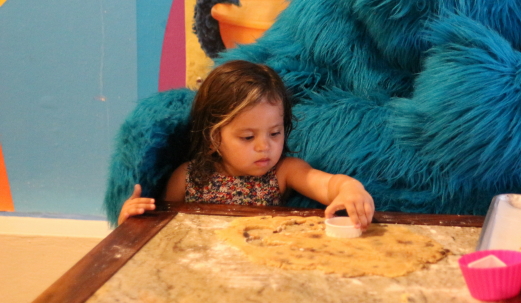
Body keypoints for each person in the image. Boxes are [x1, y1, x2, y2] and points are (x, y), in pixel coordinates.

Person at [118, 60, 374, 228]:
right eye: (248, 137)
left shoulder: (285, 172)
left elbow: (328, 184)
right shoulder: (188, 177)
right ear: (213, 138)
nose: (265, 146)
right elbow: (162, 227)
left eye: (274, 133)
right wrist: (131, 218)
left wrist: (351, 190)